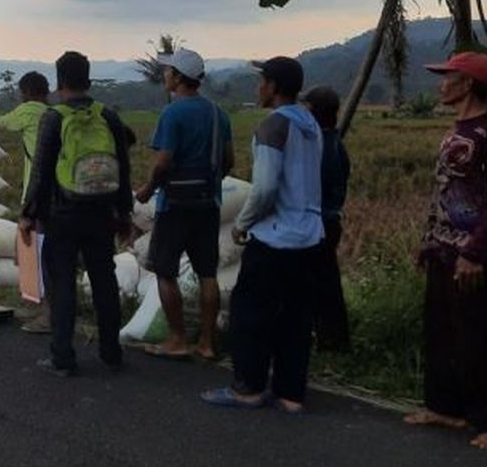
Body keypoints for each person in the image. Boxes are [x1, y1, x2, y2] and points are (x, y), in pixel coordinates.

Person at [404, 52, 487, 451]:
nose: (441, 84)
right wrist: (431, 240)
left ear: (467, 84)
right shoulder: (459, 128)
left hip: (476, 255)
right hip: (445, 248)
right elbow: (444, 189)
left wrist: (476, 253)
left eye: (448, 77)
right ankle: (446, 407)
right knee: (443, 332)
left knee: (483, 337)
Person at [202, 56, 322, 413]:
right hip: (309, 237)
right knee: (295, 317)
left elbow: (266, 187)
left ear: (272, 86)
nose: (259, 88)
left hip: (276, 237)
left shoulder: (273, 126)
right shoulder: (310, 123)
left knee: (249, 312)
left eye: (262, 81)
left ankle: (248, 388)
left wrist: (243, 223)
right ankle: (290, 394)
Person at [21, 51, 133, 377]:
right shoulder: (108, 115)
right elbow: (124, 168)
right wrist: (124, 212)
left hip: (62, 216)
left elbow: (41, 172)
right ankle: (111, 353)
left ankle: (63, 357)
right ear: (89, 79)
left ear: (59, 82)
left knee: (62, 285)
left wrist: (28, 214)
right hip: (102, 213)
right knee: (104, 281)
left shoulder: (53, 118)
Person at [135, 48, 234, 360]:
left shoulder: (172, 113)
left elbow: (163, 160)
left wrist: (148, 189)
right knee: (207, 273)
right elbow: (228, 160)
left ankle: (177, 339)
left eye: (168, 71)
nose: (165, 75)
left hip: (174, 205)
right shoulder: (218, 114)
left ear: (178, 78)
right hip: (208, 204)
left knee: (165, 271)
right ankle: (207, 343)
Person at [0, 71, 52, 333]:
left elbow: (1, 123)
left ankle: (44, 311)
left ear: (27, 92)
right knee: (42, 250)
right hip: (58, 194)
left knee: (32, 250)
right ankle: (37, 304)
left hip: (36, 194)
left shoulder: (28, 111)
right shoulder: (53, 113)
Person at [303, 85, 351, 353]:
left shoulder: (318, 147)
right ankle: (332, 340)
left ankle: (328, 341)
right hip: (331, 221)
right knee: (327, 283)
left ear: (312, 111)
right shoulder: (335, 144)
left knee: (317, 284)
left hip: (318, 223)